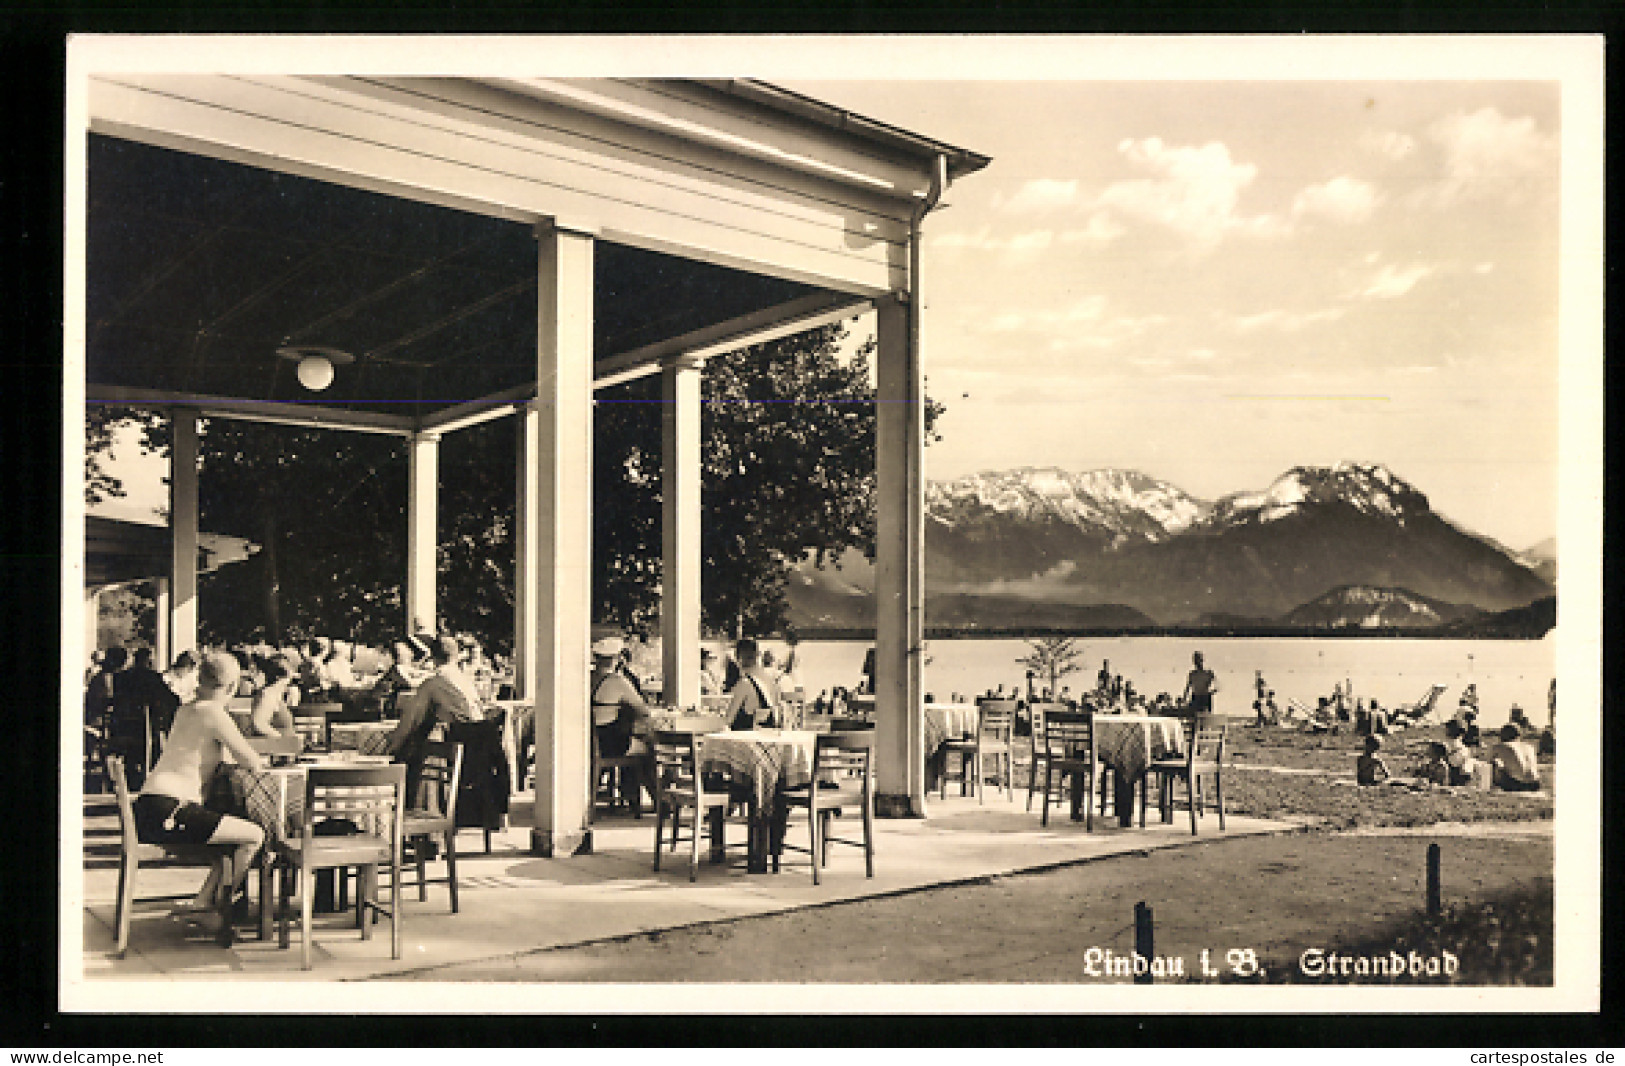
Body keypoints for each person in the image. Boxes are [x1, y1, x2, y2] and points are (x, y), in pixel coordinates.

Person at [134, 650, 266, 935]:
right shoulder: (214, 712)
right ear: (232, 687)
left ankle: (203, 904)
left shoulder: (187, 708)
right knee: (255, 835)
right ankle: (217, 907)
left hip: (150, 806)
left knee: (228, 841)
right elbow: (252, 761)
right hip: (171, 810)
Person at [385, 635, 485, 785]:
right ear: (457, 656)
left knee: (409, 754)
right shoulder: (466, 681)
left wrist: (389, 749)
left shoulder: (433, 684)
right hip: (479, 750)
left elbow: (409, 723)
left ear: (432, 657)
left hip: (459, 749)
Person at [723, 637, 781, 731]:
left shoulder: (744, 683)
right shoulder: (769, 679)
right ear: (757, 655)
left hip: (747, 739)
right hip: (768, 735)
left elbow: (728, 720)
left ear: (737, 657)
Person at [243, 654, 299, 737]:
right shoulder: (268, 695)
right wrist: (280, 738)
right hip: (275, 747)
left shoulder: (274, 694)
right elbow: (258, 722)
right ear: (279, 677)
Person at [1486, 723, 1542, 792]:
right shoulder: (1529, 746)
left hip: (1517, 784)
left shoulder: (1499, 746)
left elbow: (1487, 763)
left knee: (1495, 763)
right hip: (1535, 783)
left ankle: (1493, 787)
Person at [1181, 651, 1218, 728]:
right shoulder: (1192, 674)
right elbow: (1188, 687)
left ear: (1202, 660)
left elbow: (1217, 686)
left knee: (1205, 719)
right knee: (1194, 719)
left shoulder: (1208, 673)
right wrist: (1184, 699)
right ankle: (1196, 735)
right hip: (1196, 697)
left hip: (1205, 697)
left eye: (1199, 660)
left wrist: (1210, 691)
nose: (1197, 663)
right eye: (1195, 661)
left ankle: (1205, 735)